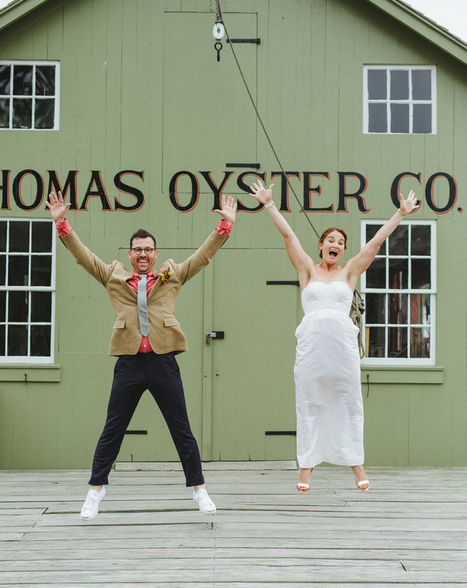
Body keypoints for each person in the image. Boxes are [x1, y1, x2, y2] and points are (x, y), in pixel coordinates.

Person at [46, 190, 237, 519]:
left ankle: (200, 491)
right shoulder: (113, 276)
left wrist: (224, 227)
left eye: (148, 249)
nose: (143, 254)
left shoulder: (172, 274)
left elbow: (202, 257)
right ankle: (95, 491)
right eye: (138, 250)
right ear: (130, 254)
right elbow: (83, 256)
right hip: (130, 362)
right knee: (113, 428)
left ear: (155, 252)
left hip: (164, 361)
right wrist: (62, 223)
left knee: (182, 429)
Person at [249, 180, 418, 492]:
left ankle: (357, 465)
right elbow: (288, 235)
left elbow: (376, 243)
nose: (335, 243)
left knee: (348, 403)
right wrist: (269, 204)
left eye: (340, 241)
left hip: (342, 350)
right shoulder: (306, 271)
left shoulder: (350, 271)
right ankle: (306, 468)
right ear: (321, 245)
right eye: (330, 239)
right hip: (312, 349)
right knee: (309, 403)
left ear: (343, 248)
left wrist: (400, 214)